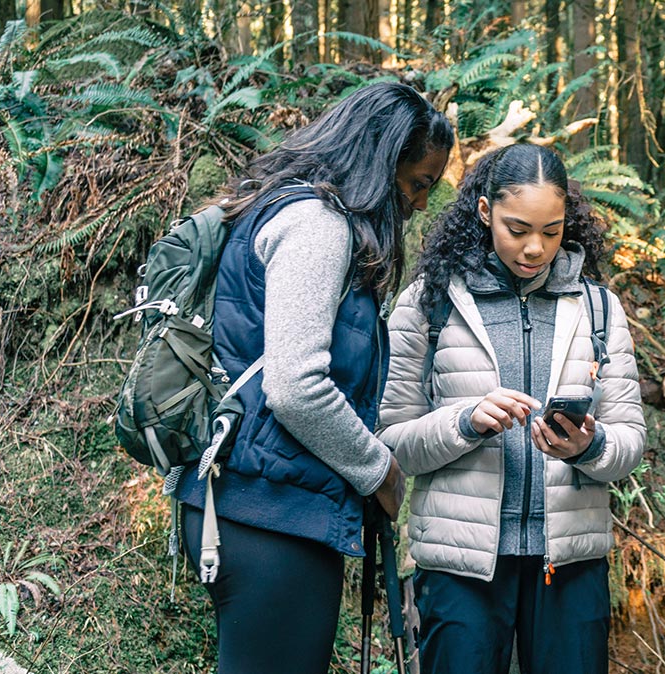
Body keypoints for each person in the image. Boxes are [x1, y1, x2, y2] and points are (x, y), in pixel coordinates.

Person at [171, 82, 454, 674]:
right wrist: (379, 468)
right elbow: (296, 385)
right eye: (420, 182)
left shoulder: (291, 209)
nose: (421, 202)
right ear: (383, 160)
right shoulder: (320, 224)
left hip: (258, 503)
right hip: (268, 515)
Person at [376, 143, 646, 674]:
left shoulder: (597, 307)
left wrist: (589, 446)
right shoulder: (427, 304)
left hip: (569, 562)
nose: (534, 249)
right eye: (517, 229)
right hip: (461, 565)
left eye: (552, 231)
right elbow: (391, 442)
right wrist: (464, 421)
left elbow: (630, 440)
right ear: (484, 212)